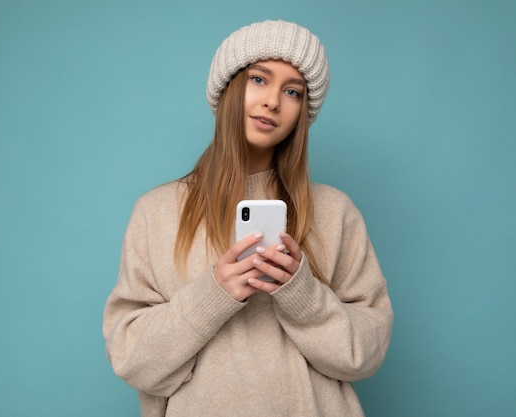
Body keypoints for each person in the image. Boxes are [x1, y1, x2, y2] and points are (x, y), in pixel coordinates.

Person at [103, 20, 393, 417]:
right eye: (259, 79)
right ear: (228, 88)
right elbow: (132, 360)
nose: (273, 101)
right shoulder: (157, 212)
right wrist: (213, 295)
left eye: (293, 91)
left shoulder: (334, 211)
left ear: (302, 112)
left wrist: (304, 296)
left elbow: (365, 356)